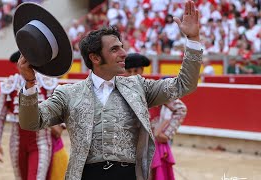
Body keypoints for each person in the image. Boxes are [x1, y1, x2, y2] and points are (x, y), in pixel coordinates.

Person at [17, 1, 202, 179]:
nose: (124, 53)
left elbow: (184, 84)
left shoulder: (138, 86)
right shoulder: (68, 94)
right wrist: (30, 83)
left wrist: (193, 40)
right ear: (95, 58)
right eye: (115, 49)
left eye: (121, 47)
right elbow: (31, 122)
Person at [0, 51, 68, 180]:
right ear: (17, 64)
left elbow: (64, 109)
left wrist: (59, 126)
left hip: (41, 141)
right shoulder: (10, 84)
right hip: (17, 142)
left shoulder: (47, 83)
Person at [124, 53, 187, 180]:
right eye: (128, 71)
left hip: (150, 144)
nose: (131, 75)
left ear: (142, 70)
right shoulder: (121, 89)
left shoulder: (152, 88)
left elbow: (180, 109)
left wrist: (166, 134)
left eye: (135, 71)